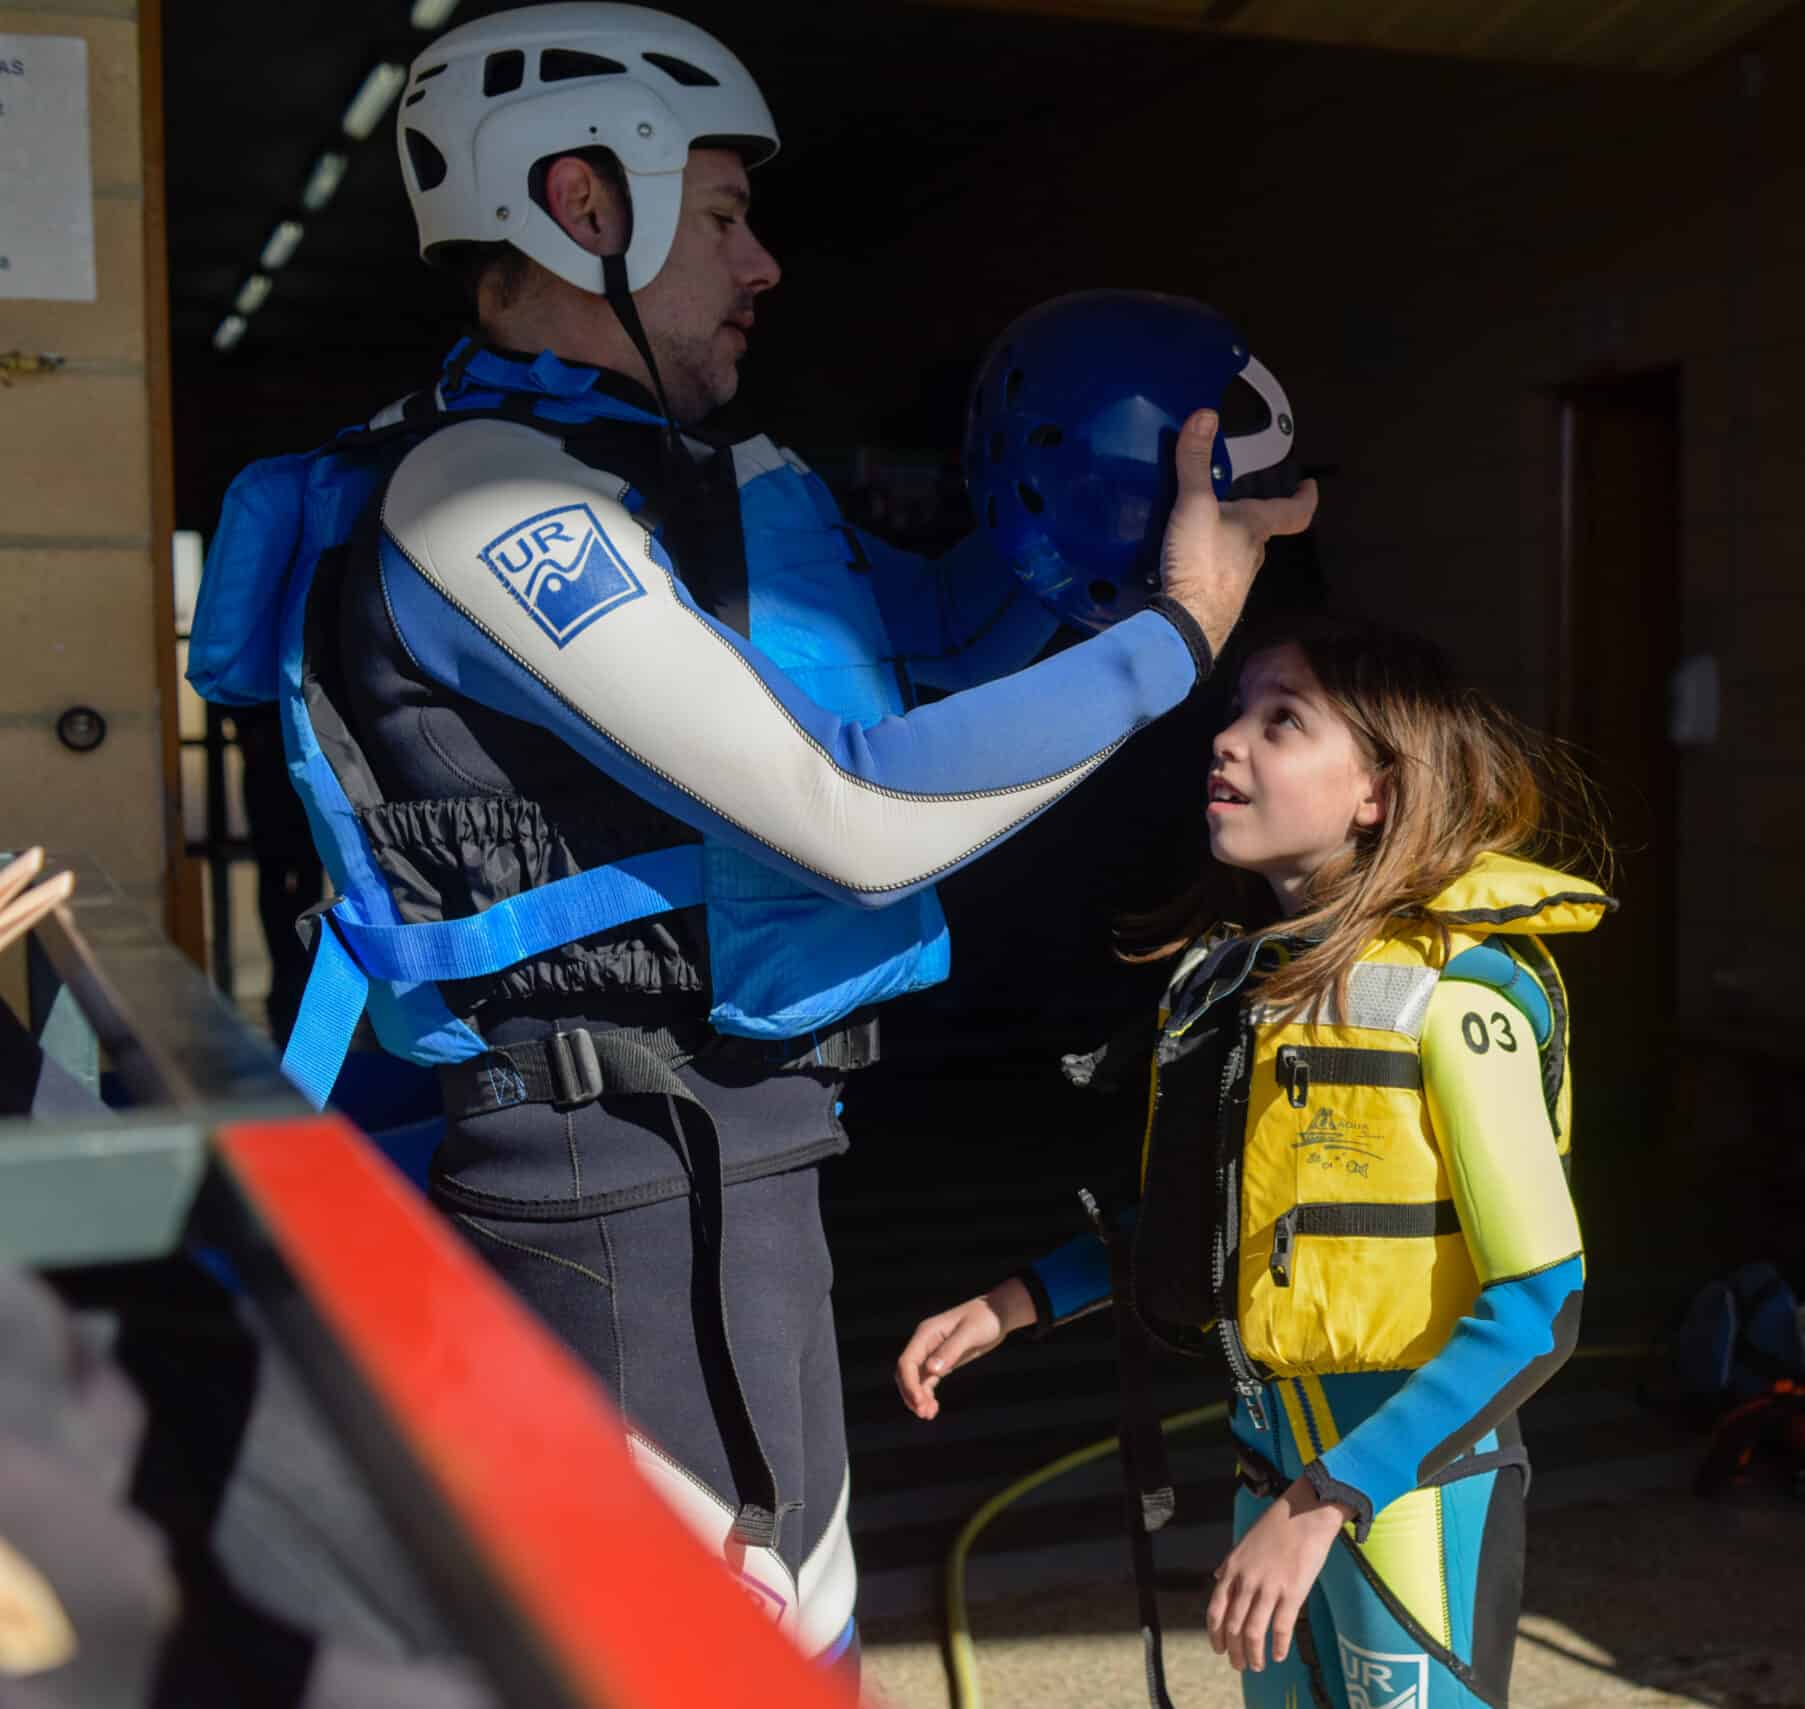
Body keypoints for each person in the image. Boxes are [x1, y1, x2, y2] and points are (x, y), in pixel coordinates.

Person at [188, 2, 1314, 1670]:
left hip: (719, 1159)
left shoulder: (662, 480)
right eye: (722, 214)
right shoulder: (485, 496)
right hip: (617, 1179)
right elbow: (855, 813)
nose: (764, 262)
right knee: (720, 1653)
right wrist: (1178, 638)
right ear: (583, 202)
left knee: (795, 1626)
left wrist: (1103, 523)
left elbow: (941, 643)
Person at [896, 624, 1608, 1709]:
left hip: (1402, 1495)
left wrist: (1326, 1500)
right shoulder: (1247, 985)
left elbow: (1541, 1303)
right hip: (1272, 1475)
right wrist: (1016, 1302)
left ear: (1377, 792)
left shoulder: (1456, 997)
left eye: (1283, 720)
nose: (1227, 740)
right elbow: (1213, 1225)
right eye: (1237, 711)